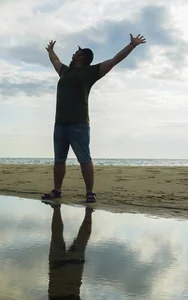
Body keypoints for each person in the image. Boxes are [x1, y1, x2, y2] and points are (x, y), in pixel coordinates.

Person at [41, 34, 147, 204]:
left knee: (84, 158)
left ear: (82, 57)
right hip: (60, 124)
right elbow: (55, 61)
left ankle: (90, 192)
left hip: (79, 124)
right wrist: (51, 51)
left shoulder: (91, 72)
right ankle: (57, 191)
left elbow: (114, 60)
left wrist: (132, 45)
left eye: (76, 53)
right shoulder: (65, 71)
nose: (73, 55)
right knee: (59, 159)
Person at [37, 204, 127, 300]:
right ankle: (61, 209)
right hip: (59, 265)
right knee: (59, 236)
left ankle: (87, 213)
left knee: (78, 239)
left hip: (70, 266)